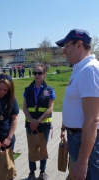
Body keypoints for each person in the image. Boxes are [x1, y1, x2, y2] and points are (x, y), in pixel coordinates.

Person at [55, 29, 99, 180]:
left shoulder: (89, 70)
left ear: (79, 45)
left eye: (66, 46)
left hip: (85, 141)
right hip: (76, 137)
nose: (64, 51)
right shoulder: (80, 68)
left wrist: (82, 161)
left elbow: (92, 120)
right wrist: (69, 134)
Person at [23, 63, 56, 180]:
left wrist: (38, 121)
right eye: (35, 73)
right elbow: (24, 108)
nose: (37, 75)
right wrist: (32, 121)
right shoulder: (27, 90)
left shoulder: (50, 90)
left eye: (40, 73)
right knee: (32, 147)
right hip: (30, 124)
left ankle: (42, 172)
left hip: (44, 124)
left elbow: (50, 108)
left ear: (45, 74)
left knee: (43, 148)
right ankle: (31, 173)